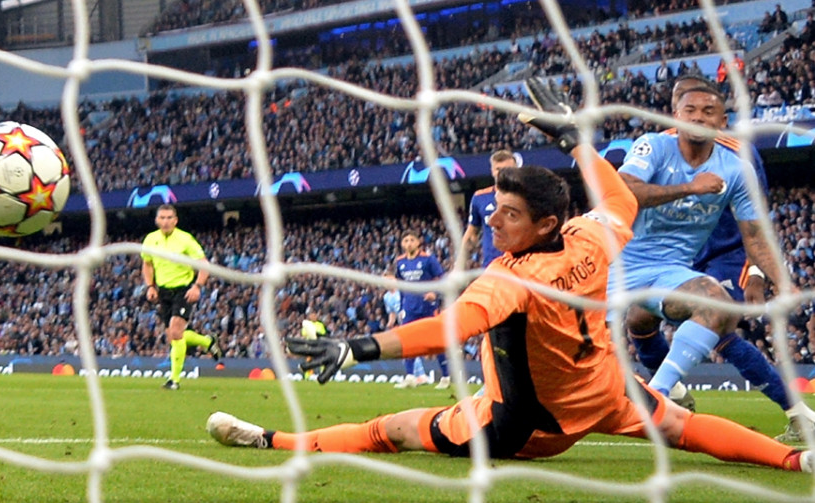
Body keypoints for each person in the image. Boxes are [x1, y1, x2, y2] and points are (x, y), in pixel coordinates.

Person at [206, 79, 812, 472]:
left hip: (529, 427)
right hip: (602, 393)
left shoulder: (510, 280)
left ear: (545, 223)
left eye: (510, 214)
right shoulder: (588, 236)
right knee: (680, 424)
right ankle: (794, 462)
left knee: (387, 430)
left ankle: (269, 443)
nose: (494, 218)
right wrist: (578, 142)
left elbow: (443, 329)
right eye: (496, 207)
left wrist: (358, 346)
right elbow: (617, 198)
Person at [611, 79, 815, 438]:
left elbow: (755, 232)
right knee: (637, 323)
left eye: (708, 111)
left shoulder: (737, 162)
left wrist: (771, 278)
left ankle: (658, 397)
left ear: (722, 119)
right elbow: (622, 190)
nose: (697, 117)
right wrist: (690, 188)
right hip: (619, 262)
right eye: (688, 109)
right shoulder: (653, 146)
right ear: (675, 112)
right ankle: (674, 393)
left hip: (701, 262)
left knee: (719, 318)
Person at [141, 204, 220, 390]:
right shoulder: (150, 240)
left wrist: (197, 286)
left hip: (183, 290)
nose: (166, 221)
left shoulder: (185, 239)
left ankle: (174, 380)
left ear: (175, 220)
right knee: (173, 335)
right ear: (157, 220)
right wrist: (150, 286)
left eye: (169, 218)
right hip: (163, 292)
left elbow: (204, 264)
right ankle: (207, 341)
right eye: (162, 217)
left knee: (176, 332)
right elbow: (147, 264)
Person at [393, 229, 449, 389]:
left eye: (412, 240)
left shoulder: (428, 259)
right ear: (402, 244)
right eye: (405, 240)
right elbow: (401, 285)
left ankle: (445, 377)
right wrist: (402, 305)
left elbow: (442, 279)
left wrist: (435, 293)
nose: (408, 243)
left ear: (418, 242)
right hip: (409, 307)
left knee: (436, 342)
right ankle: (410, 376)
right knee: (407, 341)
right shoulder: (399, 262)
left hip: (428, 307)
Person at [461, 150, 520, 267]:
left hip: (520, 264)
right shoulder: (480, 197)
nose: (502, 173)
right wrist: (460, 262)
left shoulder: (527, 196)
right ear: (492, 171)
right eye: (498, 169)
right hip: (492, 266)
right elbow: (472, 232)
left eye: (507, 169)